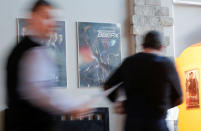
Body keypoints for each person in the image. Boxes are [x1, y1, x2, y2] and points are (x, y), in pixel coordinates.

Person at [5, 1, 90, 131]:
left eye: (54, 19)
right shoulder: (32, 52)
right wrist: (73, 106)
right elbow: (40, 94)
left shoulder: (31, 49)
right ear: (32, 17)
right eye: (46, 17)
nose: (52, 23)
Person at [103, 31, 183, 131]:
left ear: (143, 46)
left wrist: (118, 102)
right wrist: (163, 105)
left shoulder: (129, 62)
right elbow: (179, 98)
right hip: (156, 123)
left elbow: (107, 86)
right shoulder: (167, 64)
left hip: (132, 124)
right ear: (161, 47)